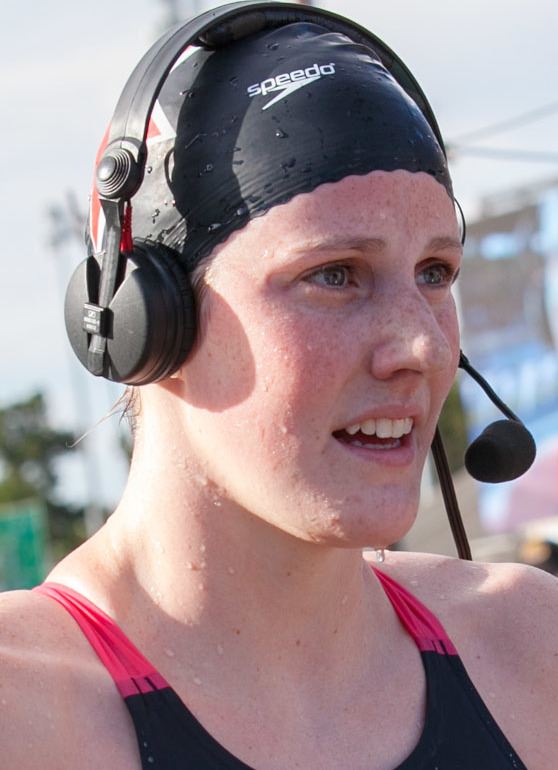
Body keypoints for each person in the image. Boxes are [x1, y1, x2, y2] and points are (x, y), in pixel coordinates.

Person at [1, 3, 557, 768]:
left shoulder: (529, 652)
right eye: (335, 275)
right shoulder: (23, 716)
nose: (423, 345)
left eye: (436, 272)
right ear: (144, 319)